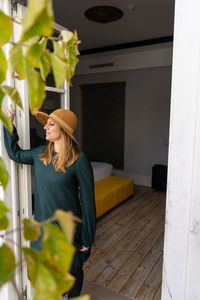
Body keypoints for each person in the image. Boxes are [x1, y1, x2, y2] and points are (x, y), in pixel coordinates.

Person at [3, 106, 96, 299]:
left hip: (69, 232)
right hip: (42, 229)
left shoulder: (79, 161)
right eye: (46, 123)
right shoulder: (39, 154)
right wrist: (8, 123)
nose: (45, 127)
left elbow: (88, 203)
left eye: (51, 124)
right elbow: (16, 154)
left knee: (73, 275)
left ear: (64, 130)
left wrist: (87, 239)